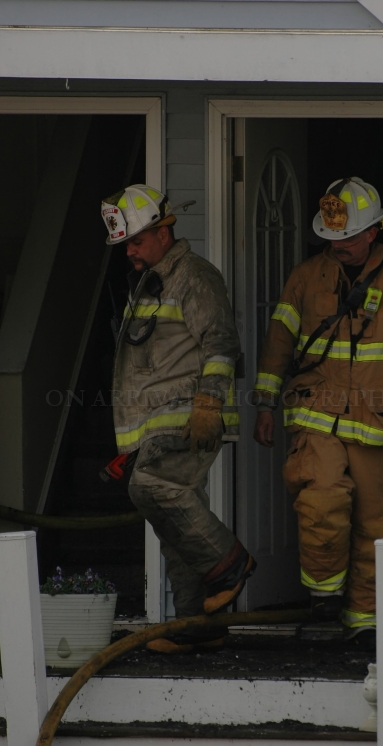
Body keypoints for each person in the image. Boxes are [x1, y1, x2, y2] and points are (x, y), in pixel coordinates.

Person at [101, 184, 256, 653]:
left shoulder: (194, 276)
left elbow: (221, 344)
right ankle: (197, 625)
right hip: (154, 423)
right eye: (126, 244)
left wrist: (208, 405)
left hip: (189, 415)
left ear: (163, 233)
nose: (130, 251)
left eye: (136, 241)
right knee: (170, 524)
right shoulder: (149, 283)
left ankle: (229, 562)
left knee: (153, 486)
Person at [253, 177, 383, 639]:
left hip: (378, 423)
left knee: (377, 523)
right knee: (321, 502)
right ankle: (324, 601)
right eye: (333, 236)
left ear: (373, 232)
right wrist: (264, 404)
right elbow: (279, 343)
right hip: (317, 414)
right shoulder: (305, 278)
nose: (339, 245)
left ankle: (365, 622)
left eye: (349, 236)